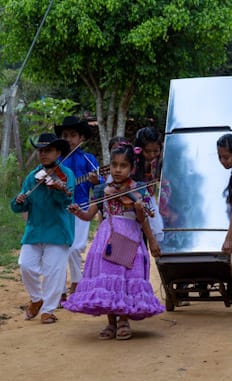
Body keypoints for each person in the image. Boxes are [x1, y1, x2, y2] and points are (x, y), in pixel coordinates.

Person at [63, 143, 164, 340]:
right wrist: (78, 212)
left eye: (123, 165)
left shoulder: (138, 190)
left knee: (126, 277)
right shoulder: (102, 190)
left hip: (131, 237)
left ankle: (124, 320)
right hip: (107, 237)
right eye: (115, 165)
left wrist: (151, 239)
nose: (118, 170)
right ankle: (111, 322)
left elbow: (143, 221)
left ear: (131, 168)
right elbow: (89, 215)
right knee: (108, 277)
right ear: (109, 166)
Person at [11, 133, 75, 324]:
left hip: (58, 230)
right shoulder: (32, 177)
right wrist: (19, 201)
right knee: (25, 265)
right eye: (40, 150)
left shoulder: (66, 175)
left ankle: (48, 309)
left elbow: (66, 200)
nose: (43, 154)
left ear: (58, 152)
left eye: (48, 151)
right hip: (35, 229)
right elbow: (19, 206)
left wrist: (58, 189)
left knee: (53, 271)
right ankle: (36, 299)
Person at [54, 116, 104, 300]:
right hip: (59, 210)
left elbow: (102, 182)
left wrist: (96, 180)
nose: (69, 139)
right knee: (59, 249)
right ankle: (59, 291)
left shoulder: (88, 159)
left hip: (82, 209)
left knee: (75, 248)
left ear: (81, 137)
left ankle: (77, 281)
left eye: (73, 135)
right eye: (65, 135)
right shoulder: (56, 159)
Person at [132, 126, 164, 242]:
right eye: (147, 151)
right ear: (139, 149)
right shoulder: (132, 162)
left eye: (155, 151)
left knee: (156, 232)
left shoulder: (159, 161)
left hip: (148, 201)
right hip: (132, 204)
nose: (151, 155)